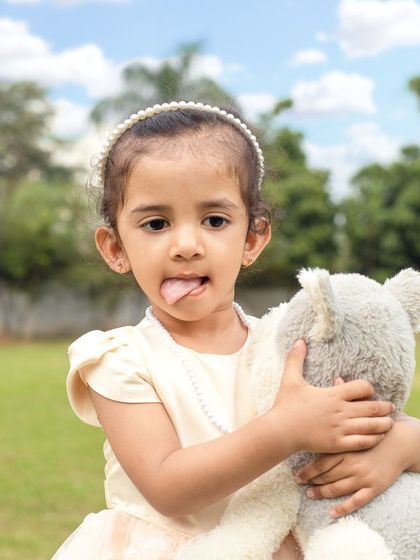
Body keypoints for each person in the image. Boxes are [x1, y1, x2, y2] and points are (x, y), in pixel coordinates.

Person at [52, 101, 420, 560]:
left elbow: (377, 418)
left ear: (252, 239)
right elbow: (168, 487)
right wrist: (284, 428)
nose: (186, 245)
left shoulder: (288, 343)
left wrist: (404, 445)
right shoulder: (120, 360)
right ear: (115, 248)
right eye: (156, 223)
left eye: (215, 221)